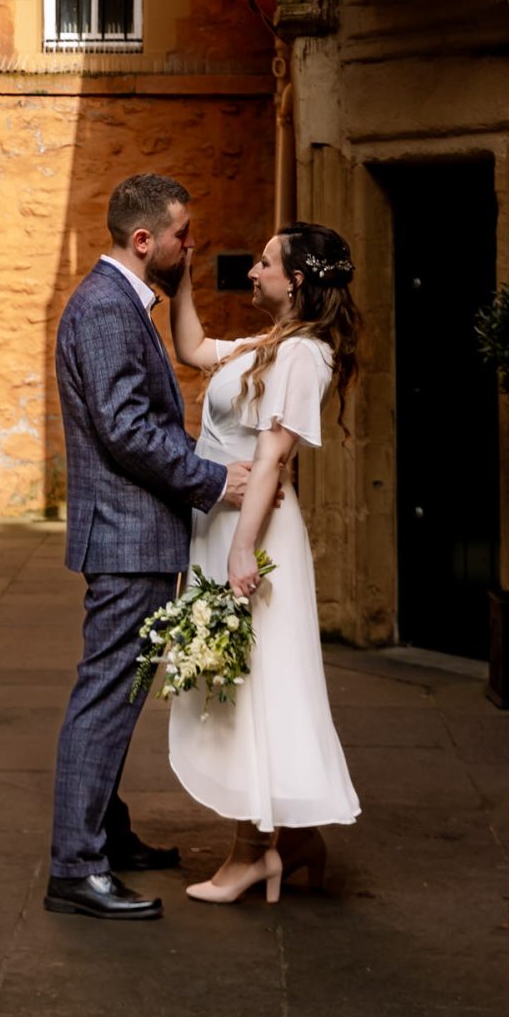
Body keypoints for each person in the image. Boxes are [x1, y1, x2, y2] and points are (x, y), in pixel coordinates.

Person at [45, 171, 252, 922]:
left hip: (133, 532)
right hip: (127, 535)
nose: (189, 244)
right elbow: (125, 430)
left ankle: (105, 830)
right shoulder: (104, 308)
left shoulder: (124, 303)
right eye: (181, 235)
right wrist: (211, 481)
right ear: (144, 240)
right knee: (105, 696)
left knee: (119, 693)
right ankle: (75, 868)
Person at [166, 220, 362, 904]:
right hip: (220, 522)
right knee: (235, 679)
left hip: (255, 533)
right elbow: (192, 348)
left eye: (266, 262)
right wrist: (179, 277)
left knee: (253, 685)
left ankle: (253, 855)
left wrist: (242, 550)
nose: (252, 270)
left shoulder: (304, 356)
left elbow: (274, 456)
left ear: (296, 279)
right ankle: (295, 839)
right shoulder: (268, 344)